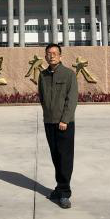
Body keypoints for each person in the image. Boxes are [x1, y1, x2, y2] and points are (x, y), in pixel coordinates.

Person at [38, 43, 78, 209]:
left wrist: (65, 120)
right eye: (49, 53)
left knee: (65, 158)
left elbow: (72, 98)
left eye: (55, 53)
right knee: (55, 156)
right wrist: (47, 115)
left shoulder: (69, 74)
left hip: (64, 124)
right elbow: (42, 97)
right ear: (45, 56)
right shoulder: (43, 75)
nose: (52, 55)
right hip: (49, 122)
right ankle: (59, 187)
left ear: (60, 56)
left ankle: (65, 193)